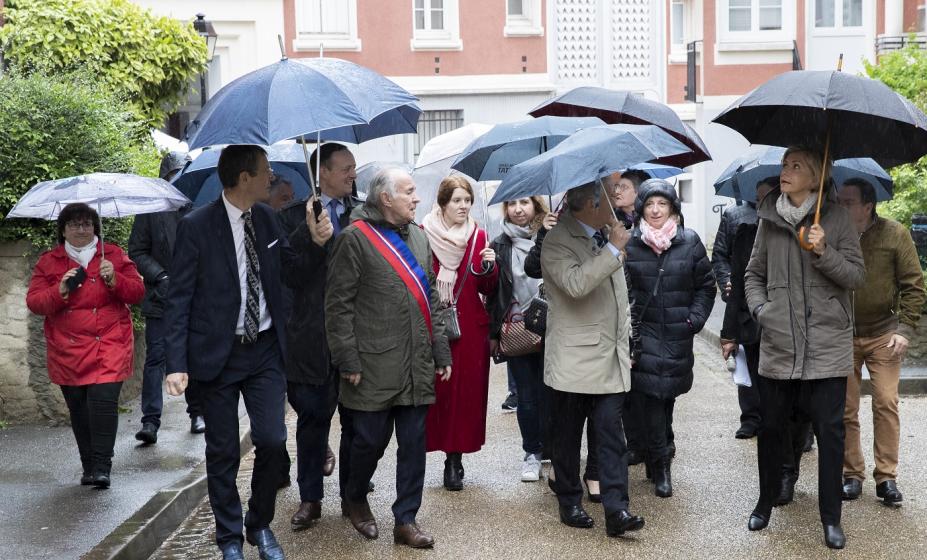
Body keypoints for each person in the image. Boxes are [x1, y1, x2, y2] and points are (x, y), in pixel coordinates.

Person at [164, 145, 293, 560]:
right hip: (216, 355)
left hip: (266, 351)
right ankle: (229, 537)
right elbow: (178, 297)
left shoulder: (270, 220)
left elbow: (293, 273)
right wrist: (176, 364)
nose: (271, 177)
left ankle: (258, 523)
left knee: (272, 440)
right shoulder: (197, 226)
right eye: (265, 171)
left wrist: (317, 239)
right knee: (222, 451)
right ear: (244, 178)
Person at [744, 146, 865, 550]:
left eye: (796, 166)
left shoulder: (837, 219)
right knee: (772, 428)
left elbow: (855, 277)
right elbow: (752, 274)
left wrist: (824, 251)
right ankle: (764, 502)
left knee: (830, 434)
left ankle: (831, 518)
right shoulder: (769, 217)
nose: (786, 171)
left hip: (827, 347)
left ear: (816, 177)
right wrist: (764, 310)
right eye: (784, 164)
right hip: (779, 342)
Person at [325, 167, 452, 548]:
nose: (417, 198)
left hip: (417, 361)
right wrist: (347, 359)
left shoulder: (418, 236)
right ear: (386, 198)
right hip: (373, 362)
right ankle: (356, 496)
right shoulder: (354, 240)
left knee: (413, 444)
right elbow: (338, 306)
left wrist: (440, 348)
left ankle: (406, 520)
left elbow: (430, 297)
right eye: (410, 192)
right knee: (368, 441)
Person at [540, 180, 645, 538]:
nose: (615, 199)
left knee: (612, 436)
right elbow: (575, 285)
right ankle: (569, 499)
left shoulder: (605, 233)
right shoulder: (556, 241)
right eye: (607, 196)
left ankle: (618, 510)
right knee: (567, 437)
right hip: (574, 358)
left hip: (610, 355)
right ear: (586, 204)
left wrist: (626, 343)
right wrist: (613, 252)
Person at [26, 203, 145, 488]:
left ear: (95, 227)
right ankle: (89, 466)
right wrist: (61, 290)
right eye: (74, 224)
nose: (81, 229)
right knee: (79, 408)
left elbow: (138, 292)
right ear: (63, 229)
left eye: (87, 224)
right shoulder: (49, 262)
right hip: (68, 348)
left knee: (102, 403)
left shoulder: (113, 254)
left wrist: (115, 278)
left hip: (110, 343)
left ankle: (103, 467)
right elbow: (35, 303)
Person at [276, 142, 359, 529]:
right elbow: (290, 276)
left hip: (358, 333)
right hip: (312, 333)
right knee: (312, 420)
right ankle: (310, 497)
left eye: (353, 168)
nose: (351, 175)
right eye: (344, 168)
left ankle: (354, 495)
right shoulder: (293, 217)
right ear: (321, 173)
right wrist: (314, 242)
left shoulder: (364, 214)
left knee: (359, 421)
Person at [624, 179, 715, 499]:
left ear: (673, 208)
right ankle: (661, 464)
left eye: (662, 204)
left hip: (677, 332)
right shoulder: (630, 244)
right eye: (649, 204)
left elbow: (706, 285)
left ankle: (661, 446)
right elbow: (623, 289)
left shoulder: (689, 241)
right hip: (643, 332)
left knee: (666, 398)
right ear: (641, 210)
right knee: (650, 397)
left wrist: (693, 319)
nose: (655, 210)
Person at [837, 177, 925, 506]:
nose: (841, 206)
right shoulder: (833, 233)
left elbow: (914, 285)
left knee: (885, 402)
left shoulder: (895, 234)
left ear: (867, 205)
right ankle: (852, 474)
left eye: (847, 202)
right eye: (839, 200)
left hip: (884, 333)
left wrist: (905, 329)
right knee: (845, 407)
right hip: (842, 333)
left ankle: (886, 477)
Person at [422, 176, 498, 491]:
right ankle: (434, 452)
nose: (463, 206)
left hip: (469, 330)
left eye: (467, 200)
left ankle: (455, 461)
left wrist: (491, 267)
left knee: (465, 397)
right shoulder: (424, 234)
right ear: (443, 203)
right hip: (434, 327)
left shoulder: (479, 236)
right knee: (438, 395)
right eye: (457, 200)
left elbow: (487, 288)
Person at [129, 152, 205, 444]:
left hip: (195, 297)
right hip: (161, 296)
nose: (179, 178)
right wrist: (160, 276)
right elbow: (137, 250)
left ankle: (197, 411)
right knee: (156, 358)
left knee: (195, 355)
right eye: (174, 173)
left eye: (183, 172)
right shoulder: (150, 210)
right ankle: (150, 421)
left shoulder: (198, 207)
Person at [488, 196, 550, 483]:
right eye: (511, 203)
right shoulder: (499, 244)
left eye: (524, 202)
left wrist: (549, 235)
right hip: (517, 329)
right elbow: (493, 294)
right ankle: (532, 453)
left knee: (554, 392)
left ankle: (553, 447)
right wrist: (492, 333)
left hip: (553, 327)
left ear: (536, 205)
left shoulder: (551, 234)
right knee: (527, 395)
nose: (517, 209)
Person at [713, 184, 766, 439]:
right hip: (743, 300)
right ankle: (750, 416)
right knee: (746, 359)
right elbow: (720, 256)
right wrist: (727, 284)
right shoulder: (735, 216)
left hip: (774, 300)